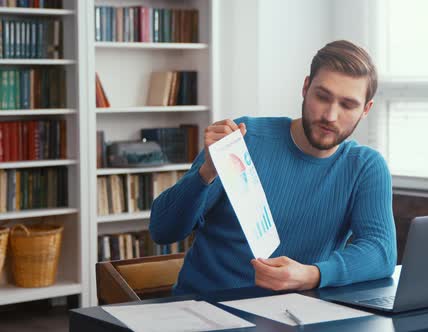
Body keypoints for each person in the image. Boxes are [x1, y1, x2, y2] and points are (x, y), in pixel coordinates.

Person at [149, 40, 396, 295]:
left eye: (347, 105)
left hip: (297, 314)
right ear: (305, 87)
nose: (330, 115)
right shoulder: (243, 140)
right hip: (206, 310)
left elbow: (381, 251)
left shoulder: (365, 167)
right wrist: (206, 173)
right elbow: (162, 230)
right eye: (322, 97)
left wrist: (311, 275)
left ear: (366, 109)